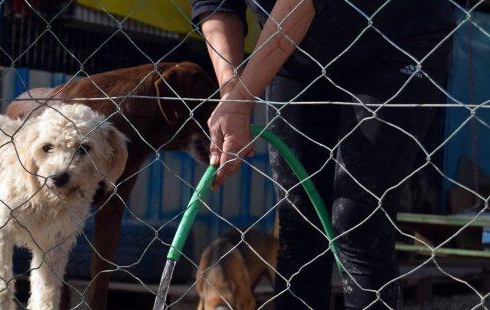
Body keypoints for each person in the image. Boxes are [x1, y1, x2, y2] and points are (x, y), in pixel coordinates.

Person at [191, 0, 454, 309]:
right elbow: (216, 5)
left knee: (357, 221)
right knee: (299, 220)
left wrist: (241, 101)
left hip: (396, 40)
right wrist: (231, 90)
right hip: (298, 52)